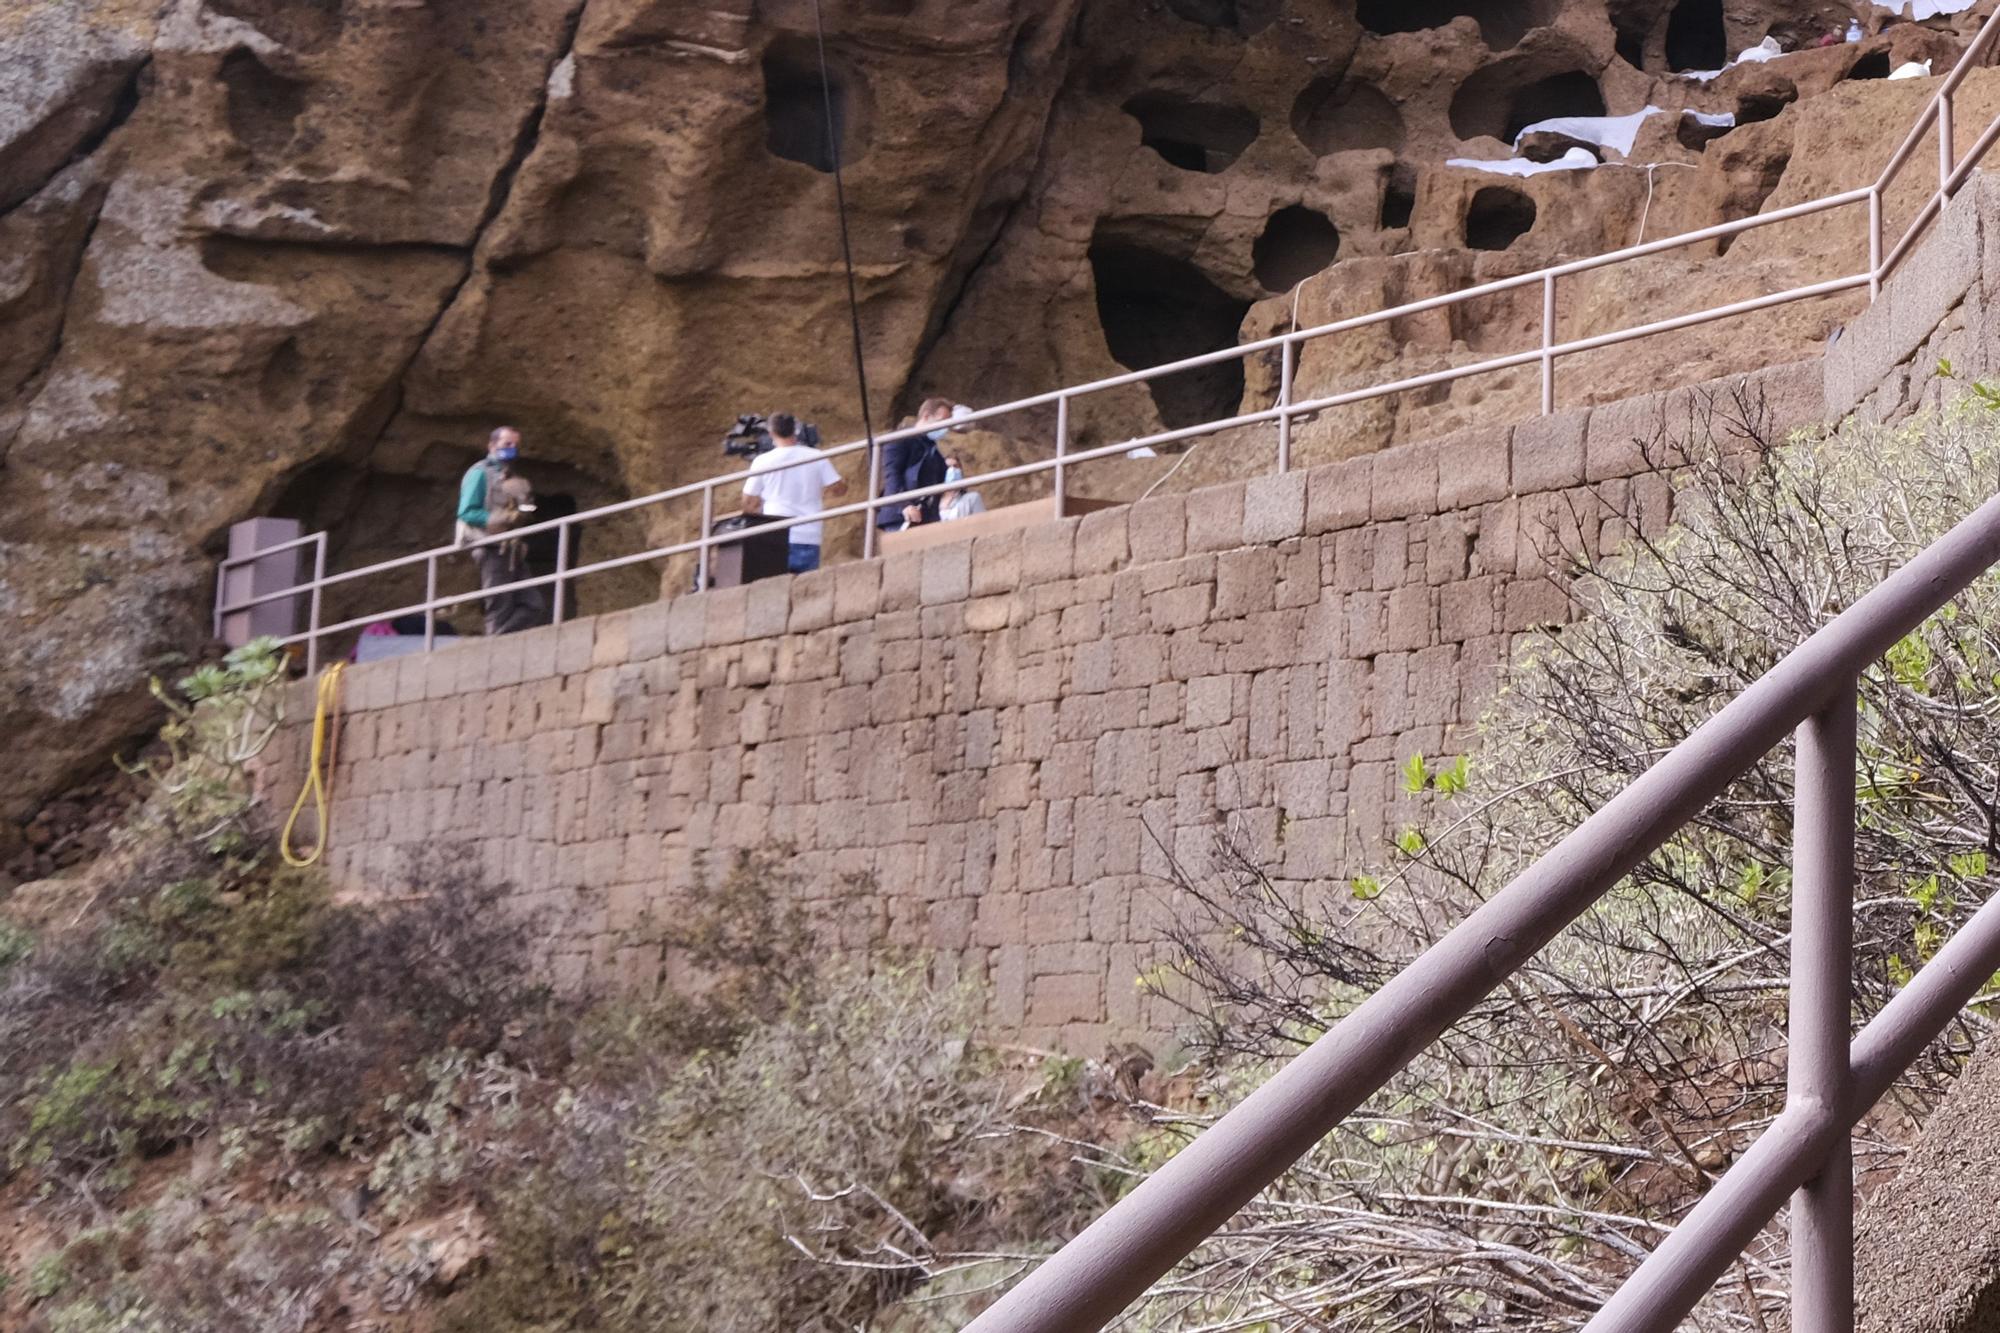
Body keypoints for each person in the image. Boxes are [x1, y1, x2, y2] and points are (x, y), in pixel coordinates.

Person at [456, 426, 548, 636]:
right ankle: (494, 647)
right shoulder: (479, 473)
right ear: (492, 445)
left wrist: (525, 506)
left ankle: (497, 642)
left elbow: (524, 512)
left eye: (515, 445)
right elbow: (467, 512)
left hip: (512, 548)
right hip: (489, 547)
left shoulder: (512, 477)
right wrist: (501, 518)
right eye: (507, 444)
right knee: (500, 605)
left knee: (533, 604)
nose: (512, 449)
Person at [742, 412, 848, 573]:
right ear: (795, 430)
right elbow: (840, 489)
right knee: (806, 591)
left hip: (776, 535)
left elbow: (748, 502)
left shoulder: (762, 461)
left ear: (771, 433)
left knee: (775, 587)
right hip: (809, 534)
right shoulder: (816, 456)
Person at [878, 398, 953, 530]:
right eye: (941, 423)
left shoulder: (933, 448)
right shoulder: (899, 438)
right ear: (926, 416)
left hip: (926, 514)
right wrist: (905, 505)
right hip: (901, 515)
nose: (944, 429)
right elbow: (892, 475)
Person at [938, 455, 987, 522]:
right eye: (948, 467)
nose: (952, 470)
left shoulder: (969, 498)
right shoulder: (934, 498)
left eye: (955, 466)